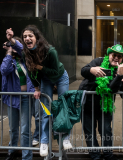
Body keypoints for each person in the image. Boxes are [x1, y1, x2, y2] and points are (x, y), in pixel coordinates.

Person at [20, 25, 72, 157]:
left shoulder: (50, 51)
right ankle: (44, 141)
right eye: (25, 36)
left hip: (60, 77)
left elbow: (54, 72)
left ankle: (66, 137)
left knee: (63, 106)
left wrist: (40, 67)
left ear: (37, 38)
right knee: (46, 110)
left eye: (30, 36)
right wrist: (36, 89)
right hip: (46, 80)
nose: (27, 38)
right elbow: (31, 73)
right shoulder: (25, 53)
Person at [80, 44, 123, 160]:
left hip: (104, 106)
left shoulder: (120, 71)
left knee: (106, 131)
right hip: (87, 105)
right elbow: (83, 71)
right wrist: (92, 69)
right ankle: (95, 156)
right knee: (89, 132)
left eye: (119, 56)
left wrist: (119, 75)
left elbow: (112, 89)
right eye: (114, 55)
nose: (116, 58)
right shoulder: (98, 61)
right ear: (109, 55)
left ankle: (108, 156)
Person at [1, 28, 34, 160]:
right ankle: (11, 150)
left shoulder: (27, 60)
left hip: (26, 98)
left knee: (25, 129)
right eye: (11, 47)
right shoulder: (9, 61)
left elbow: (22, 49)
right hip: (12, 98)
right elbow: (4, 70)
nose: (14, 49)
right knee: (13, 128)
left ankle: (27, 156)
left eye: (15, 47)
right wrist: (9, 52)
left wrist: (13, 42)